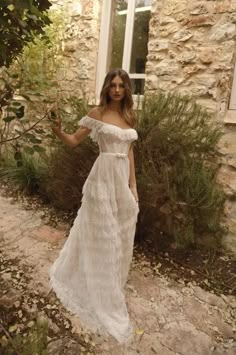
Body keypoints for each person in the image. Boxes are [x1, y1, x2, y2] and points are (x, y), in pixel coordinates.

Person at [49, 68, 139, 343]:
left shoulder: (128, 116)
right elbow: (75, 141)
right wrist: (59, 131)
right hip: (102, 179)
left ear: (126, 89)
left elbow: (129, 152)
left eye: (121, 85)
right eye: (112, 85)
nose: (116, 89)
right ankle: (98, 289)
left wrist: (134, 186)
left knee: (121, 234)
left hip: (121, 181)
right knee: (103, 234)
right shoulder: (97, 113)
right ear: (106, 87)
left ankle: (110, 281)